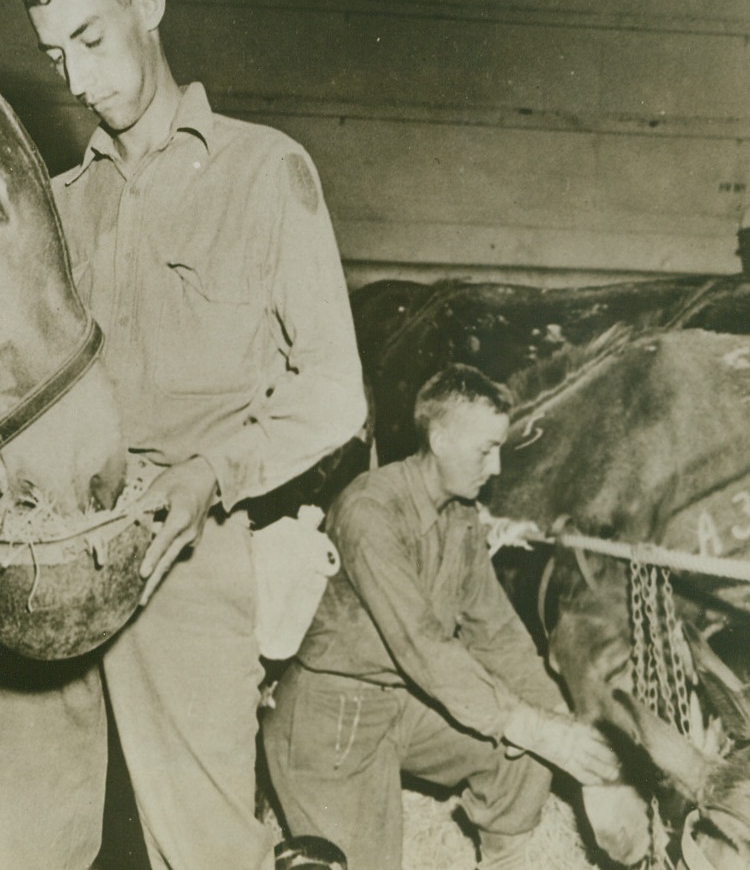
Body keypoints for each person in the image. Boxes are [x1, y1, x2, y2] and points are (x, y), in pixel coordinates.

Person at [0, 0, 367, 868]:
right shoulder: (57, 205)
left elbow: (334, 391)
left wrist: (210, 475)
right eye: (54, 55)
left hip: (185, 551)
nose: (76, 80)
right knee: (11, 848)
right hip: (51, 550)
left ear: (146, 5)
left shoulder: (265, 172)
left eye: (90, 40)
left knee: (205, 847)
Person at [262, 364, 620, 870]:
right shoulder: (370, 509)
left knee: (520, 755)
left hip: (404, 702)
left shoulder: (460, 518)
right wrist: (531, 725)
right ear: (440, 439)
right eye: (486, 450)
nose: (496, 468)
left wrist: (565, 725)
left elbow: (498, 636)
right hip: (331, 716)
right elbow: (424, 646)